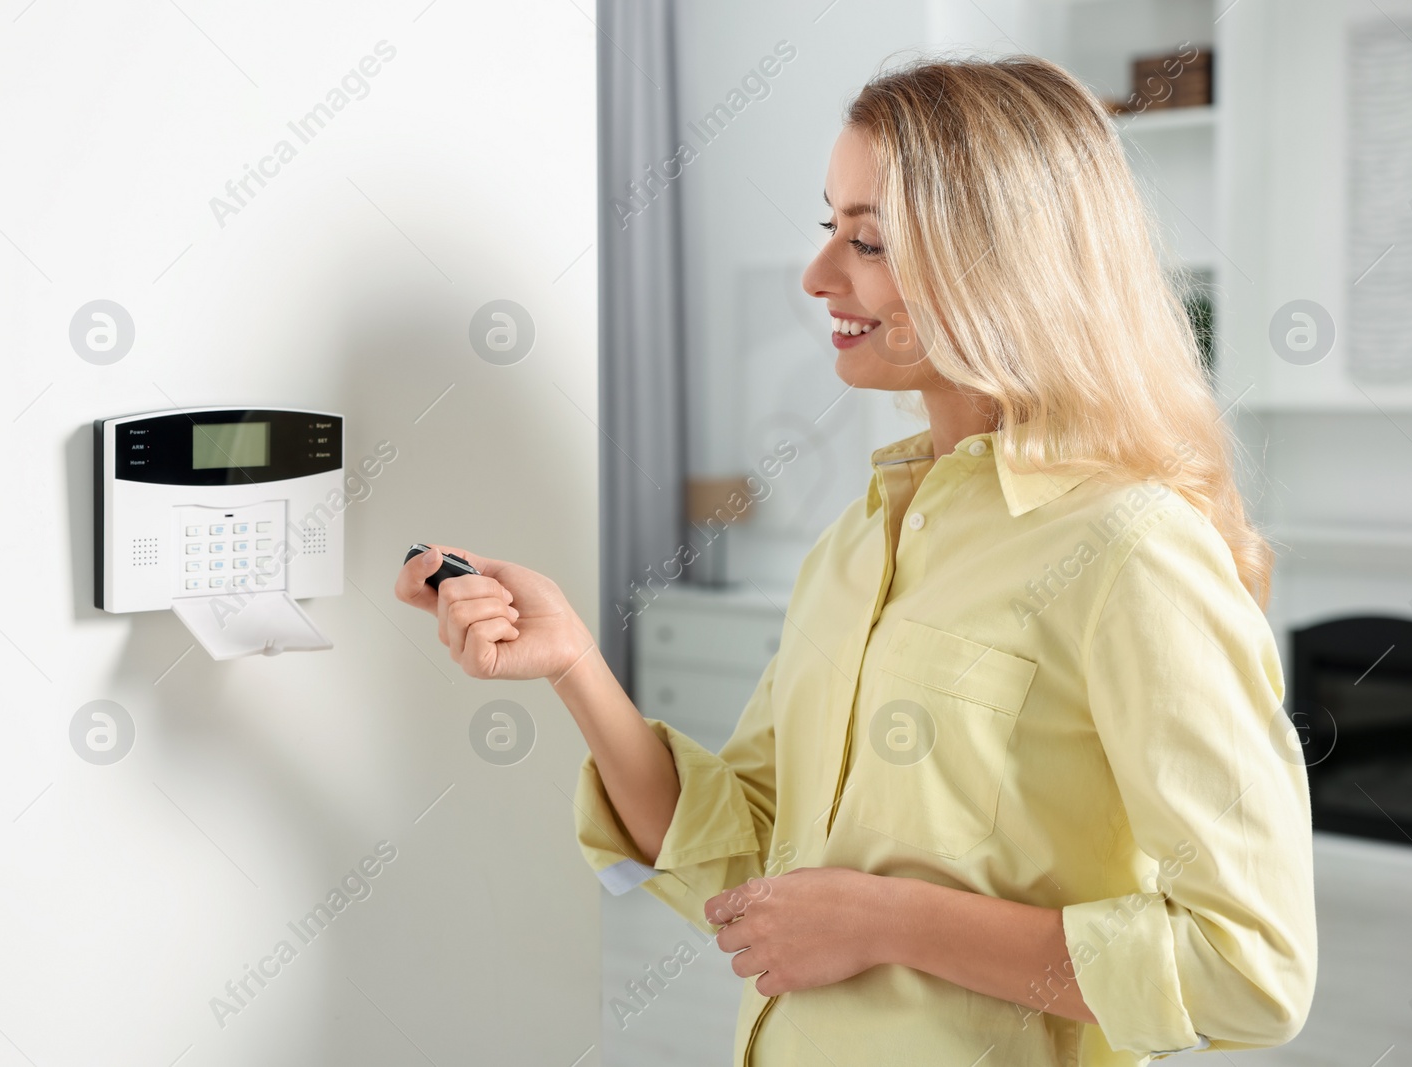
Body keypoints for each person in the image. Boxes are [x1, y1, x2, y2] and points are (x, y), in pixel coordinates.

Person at [396, 54, 1316, 1067]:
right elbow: (748, 853)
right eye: (829, 226)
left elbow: (1248, 965)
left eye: (867, 239)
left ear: (999, 263)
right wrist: (574, 660)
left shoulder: (1130, 547)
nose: (817, 274)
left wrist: (890, 920)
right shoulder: (856, 541)